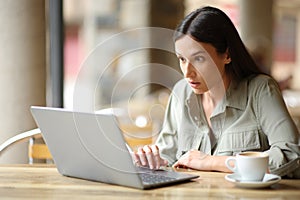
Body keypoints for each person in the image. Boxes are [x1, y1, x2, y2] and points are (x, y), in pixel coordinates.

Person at [131, 6, 300, 178]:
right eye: (182, 59)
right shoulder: (180, 93)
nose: (187, 72)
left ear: (226, 54)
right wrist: (152, 160)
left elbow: (290, 154)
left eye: (199, 58)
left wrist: (211, 161)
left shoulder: (260, 90)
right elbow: (168, 156)